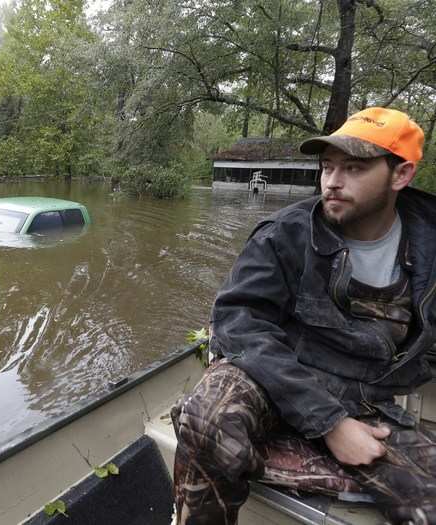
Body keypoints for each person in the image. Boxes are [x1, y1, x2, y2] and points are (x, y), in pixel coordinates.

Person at [172, 107, 436, 525]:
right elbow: (239, 320)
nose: (332, 181)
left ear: (400, 175)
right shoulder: (285, 233)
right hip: (282, 374)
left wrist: (350, 418)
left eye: (353, 168)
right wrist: (330, 422)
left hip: (371, 396)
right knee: (207, 416)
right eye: (327, 167)